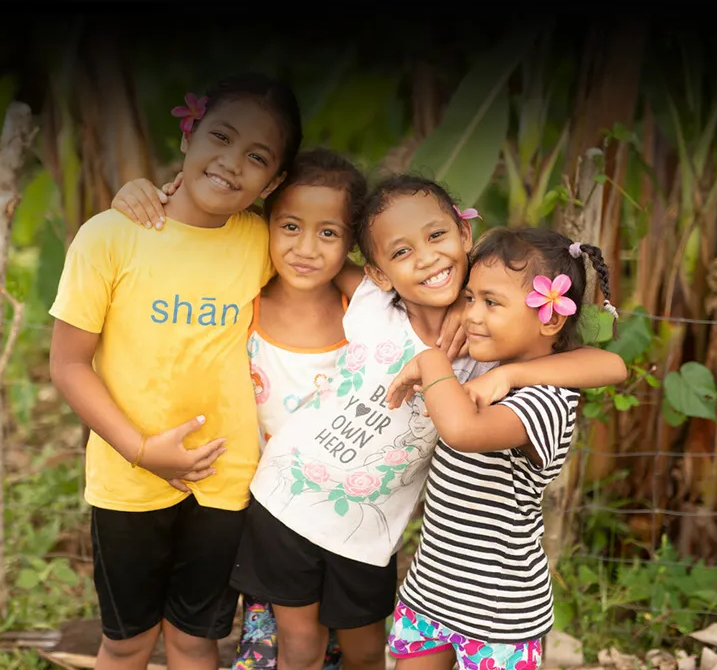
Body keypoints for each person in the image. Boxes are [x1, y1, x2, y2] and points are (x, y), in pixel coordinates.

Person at [231, 176, 628, 670]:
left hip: (372, 535)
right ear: (379, 271)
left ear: (464, 236)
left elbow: (611, 366)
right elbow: (313, 246)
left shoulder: (487, 348)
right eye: (401, 252)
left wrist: (504, 372)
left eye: (437, 237)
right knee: (300, 648)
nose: (425, 258)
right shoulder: (377, 303)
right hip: (288, 493)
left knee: (363, 654)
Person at [112, 150, 472, 670]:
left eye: (329, 234)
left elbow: (412, 285)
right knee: (291, 645)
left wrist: (468, 311)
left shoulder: (429, 320)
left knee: (362, 647)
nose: (308, 248)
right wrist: (142, 195)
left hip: (362, 528)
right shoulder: (279, 295)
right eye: (291, 227)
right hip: (279, 502)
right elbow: (189, 243)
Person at [48, 72, 303, 670]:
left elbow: (326, 266)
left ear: (275, 181)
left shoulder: (261, 242)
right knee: (129, 643)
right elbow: (67, 363)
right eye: (220, 136)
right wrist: (141, 448)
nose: (231, 162)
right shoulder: (111, 236)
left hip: (225, 479)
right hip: (128, 478)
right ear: (189, 133)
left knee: (195, 641)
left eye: (257, 157)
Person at [383, 225, 623, 670]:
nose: (471, 314)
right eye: (469, 298)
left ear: (550, 317)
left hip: (498, 614)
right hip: (431, 590)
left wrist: (434, 361)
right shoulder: (483, 364)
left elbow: (464, 431)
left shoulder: (547, 400)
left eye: (491, 303)